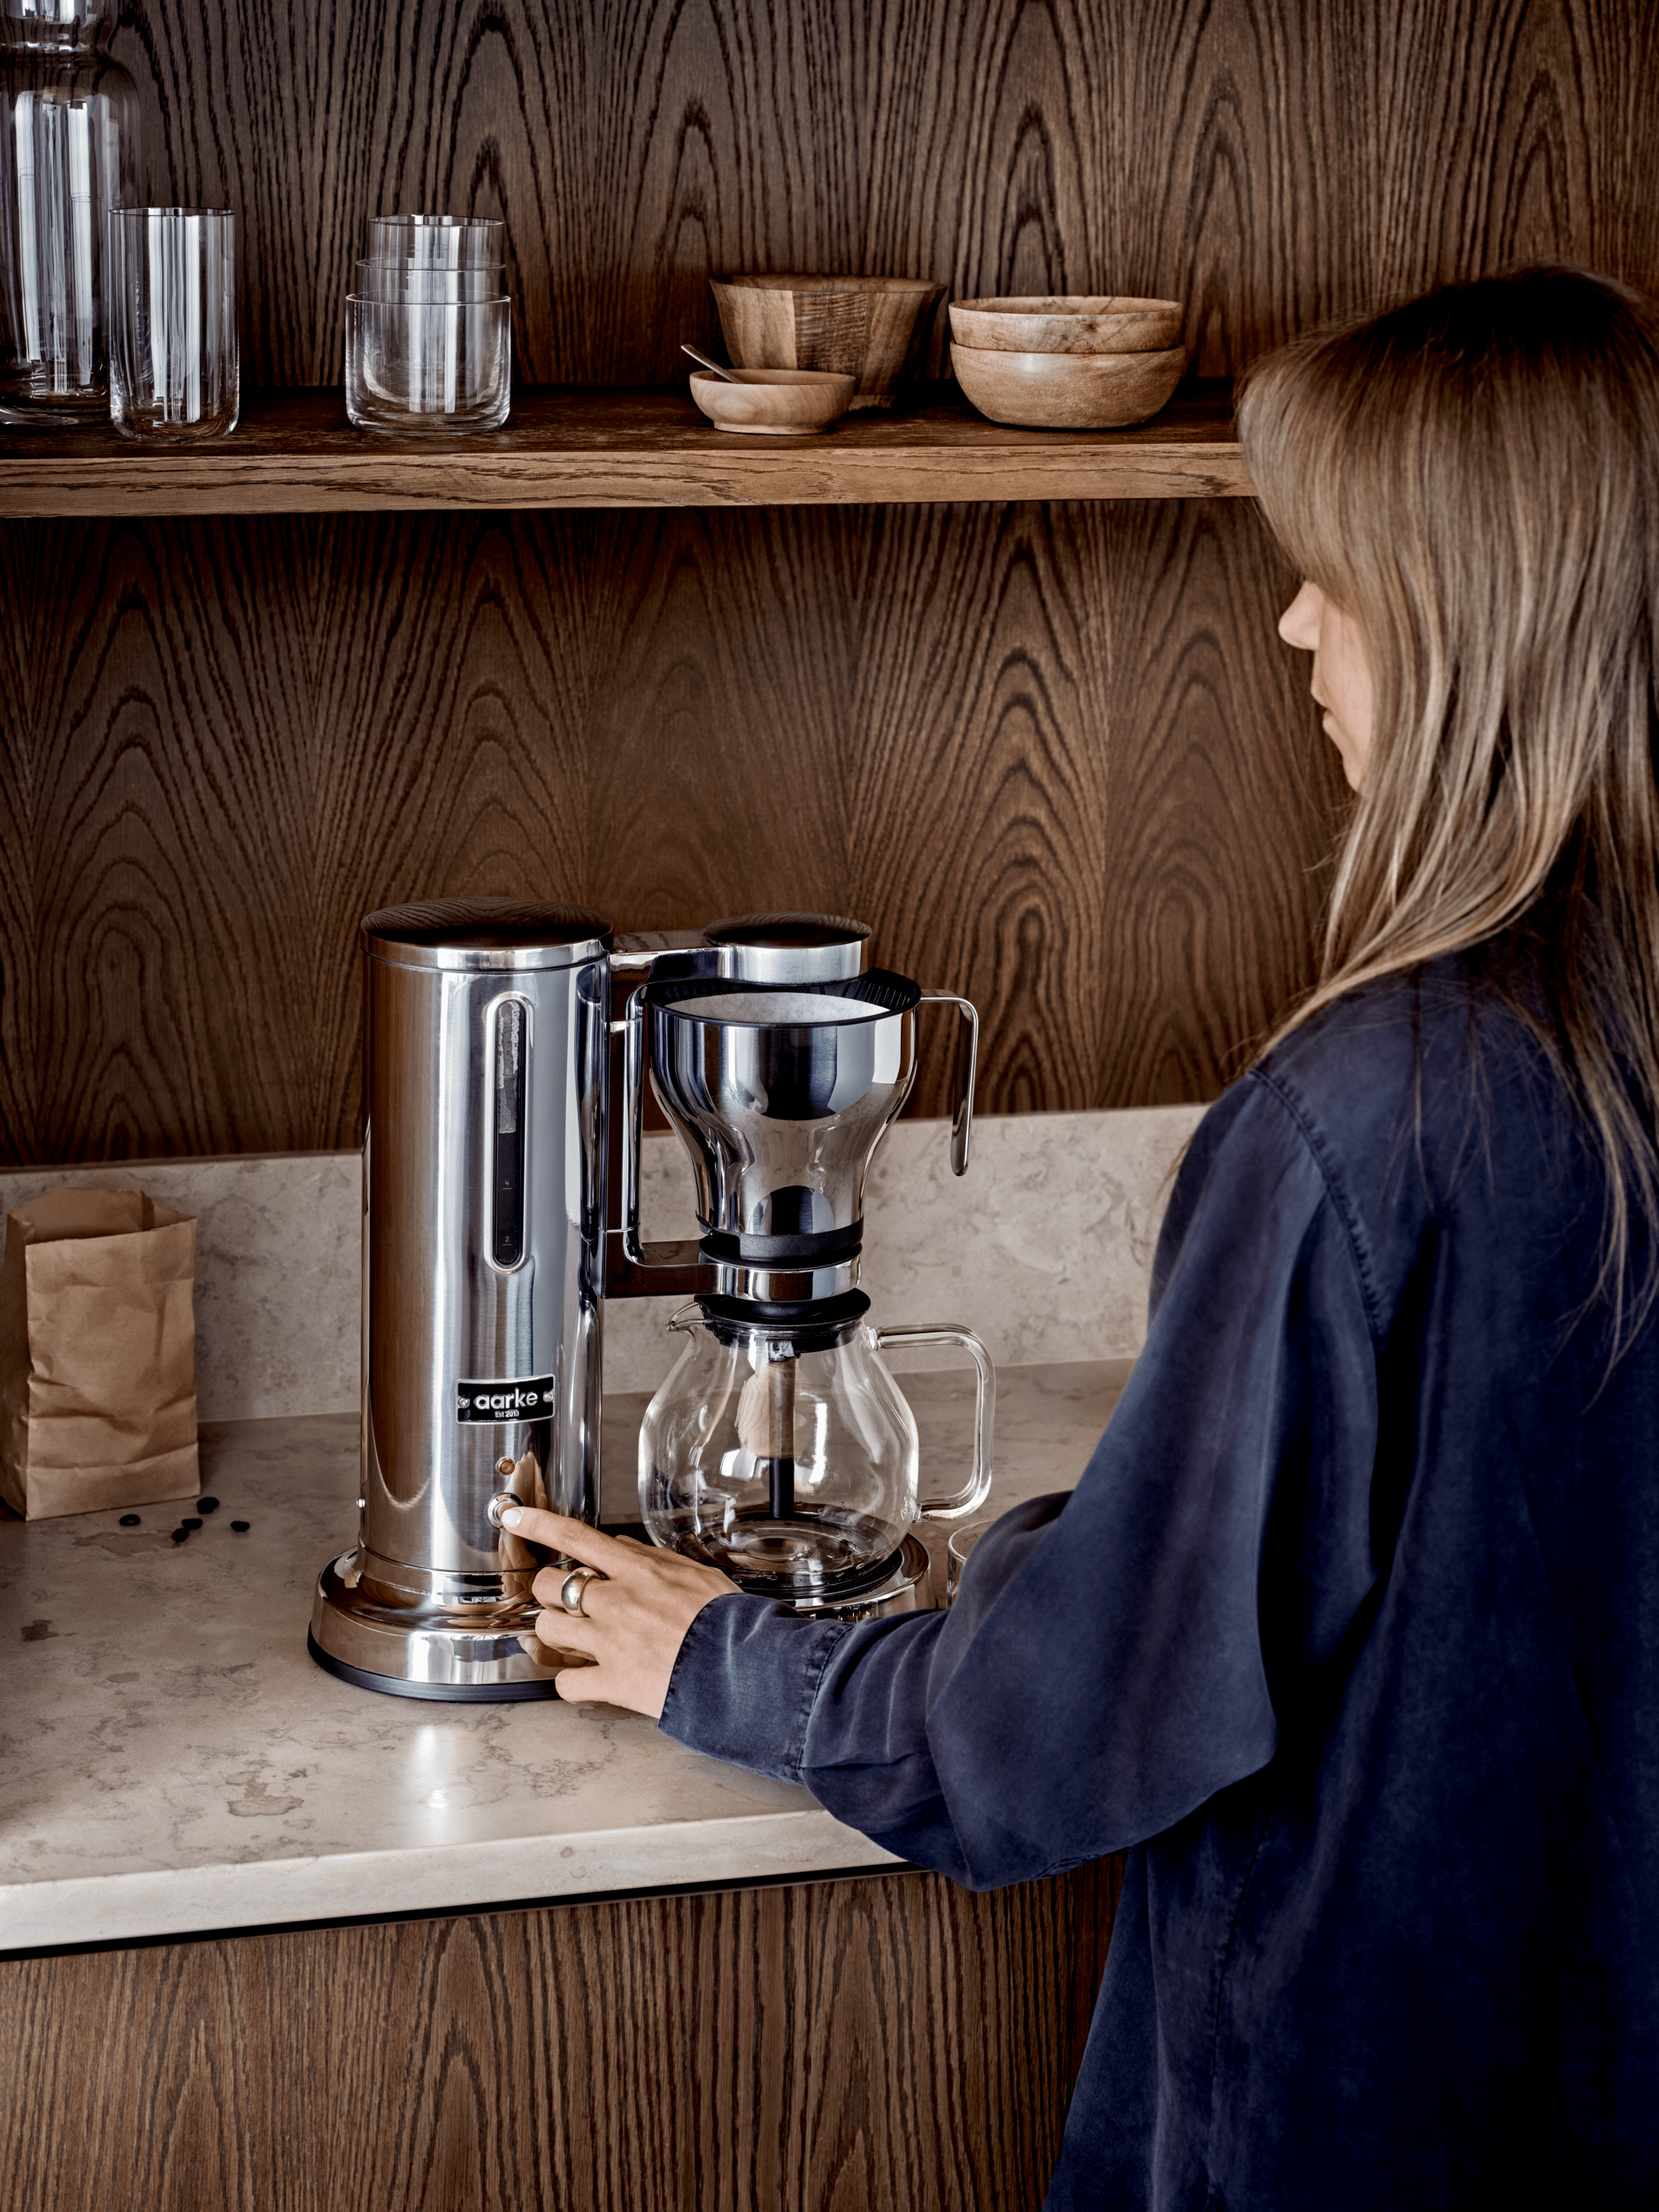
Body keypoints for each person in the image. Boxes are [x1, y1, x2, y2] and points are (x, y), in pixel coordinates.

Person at [503, 266, 1659, 2209]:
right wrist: (1071, 1549)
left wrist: (733, 1661)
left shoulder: (1357, 1117)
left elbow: (1081, 1724)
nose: (1293, 618)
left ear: (1477, 622)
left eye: (1338, 573)